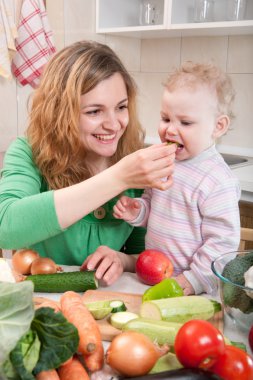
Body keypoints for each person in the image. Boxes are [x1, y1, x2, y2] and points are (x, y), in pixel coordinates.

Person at [0, 40, 176, 285]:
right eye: (94, 112)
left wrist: (121, 260)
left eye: (121, 107)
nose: (114, 124)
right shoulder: (28, 151)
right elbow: (5, 226)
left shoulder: (136, 160)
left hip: (107, 301)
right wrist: (118, 178)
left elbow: (143, 253)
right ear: (59, 113)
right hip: (39, 300)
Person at [113, 61, 241, 295]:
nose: (170, 130)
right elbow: (154, 205)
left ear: (218, 126)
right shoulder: (165, 161)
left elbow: (222, 242)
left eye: (185, 122)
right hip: (154, 275)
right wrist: (138, 210)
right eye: (165, 118)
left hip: (195, 286)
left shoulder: (217, 179)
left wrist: (196, 279)